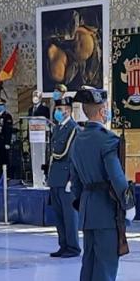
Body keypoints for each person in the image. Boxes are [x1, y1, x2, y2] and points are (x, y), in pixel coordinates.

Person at [69, 87, 136, 281]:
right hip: (107, 210)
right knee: (106, 267)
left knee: (89, 266)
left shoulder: (78, 140)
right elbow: (116, 177)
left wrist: (83, 202)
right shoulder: (108, 140)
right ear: (103, 110)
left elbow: (74, 181)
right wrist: (128, 204)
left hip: (87, 209)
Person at [47, 96, 81, 258]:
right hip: (55, 177)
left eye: (60, 110)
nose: (58, 112)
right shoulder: (57, 128)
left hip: (66, 178)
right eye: (57, 109)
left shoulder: (74, 129)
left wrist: (71, 180)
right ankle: (63, 244)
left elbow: (75, 156)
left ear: (68, 110)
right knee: (59, 216)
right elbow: (53, 154)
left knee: (69, 216)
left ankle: (73, 247)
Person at [0, 98, 13, 180]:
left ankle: (7, 175)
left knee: (5, 159)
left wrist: (7, 142)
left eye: (0, 105)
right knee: (0, 160)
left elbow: (8, 130)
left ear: (4, 106)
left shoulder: (7, 116)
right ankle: (1, 176)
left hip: (4, 141)